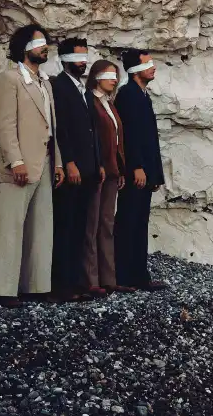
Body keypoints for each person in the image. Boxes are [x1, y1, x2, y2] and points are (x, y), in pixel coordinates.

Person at [0, 24, 65, 308]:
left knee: (41, 227)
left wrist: (57, 162)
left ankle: (35, 286)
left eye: (46, 43)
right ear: (24, 48)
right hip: (19, 164)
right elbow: (5, 125)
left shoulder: (45, 82)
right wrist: (15, 161)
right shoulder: (8, 79)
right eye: (39, 43)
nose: (45, 47)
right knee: (11, 227)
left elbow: (50, 126)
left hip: (44, 162)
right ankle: (1, 290)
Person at [50, 37, 104, 301]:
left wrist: (97, 163)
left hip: (89, 168)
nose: (83, 63)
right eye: (77, 59)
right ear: (64, 60)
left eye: (85, 58)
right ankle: (62, 286)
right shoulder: (58, 86)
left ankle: (76, 282)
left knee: (81, 227)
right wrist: (68, 161)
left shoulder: (81, 89)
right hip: (73, 169)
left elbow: (91, 130)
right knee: (66, 227)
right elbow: (61, 129)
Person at [113, 49, 168, 291]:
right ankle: (123, 275)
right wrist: (135, 167)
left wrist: (154, 173)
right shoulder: (127, 95)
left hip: (145, 172)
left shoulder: (142, 95)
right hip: (136, 172)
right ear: (135, 69)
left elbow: (150, 139)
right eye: (148, 63)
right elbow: (129, 137)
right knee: (128, 221)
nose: (153, 67)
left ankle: (138, 274)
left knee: (139, 222)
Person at [84, 59, 135, 294]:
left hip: (113, 172)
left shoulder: (109, 104)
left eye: (116, 75)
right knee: (91, 224)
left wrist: (121, 168)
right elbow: (91, 138)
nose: (114, 79)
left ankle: (109, 279)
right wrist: (99, 165)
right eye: (108, 74)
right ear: (96, 76)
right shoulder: (90, 102)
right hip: (98, 172)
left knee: (107, 224)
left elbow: (117, 140)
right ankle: (90, 280)